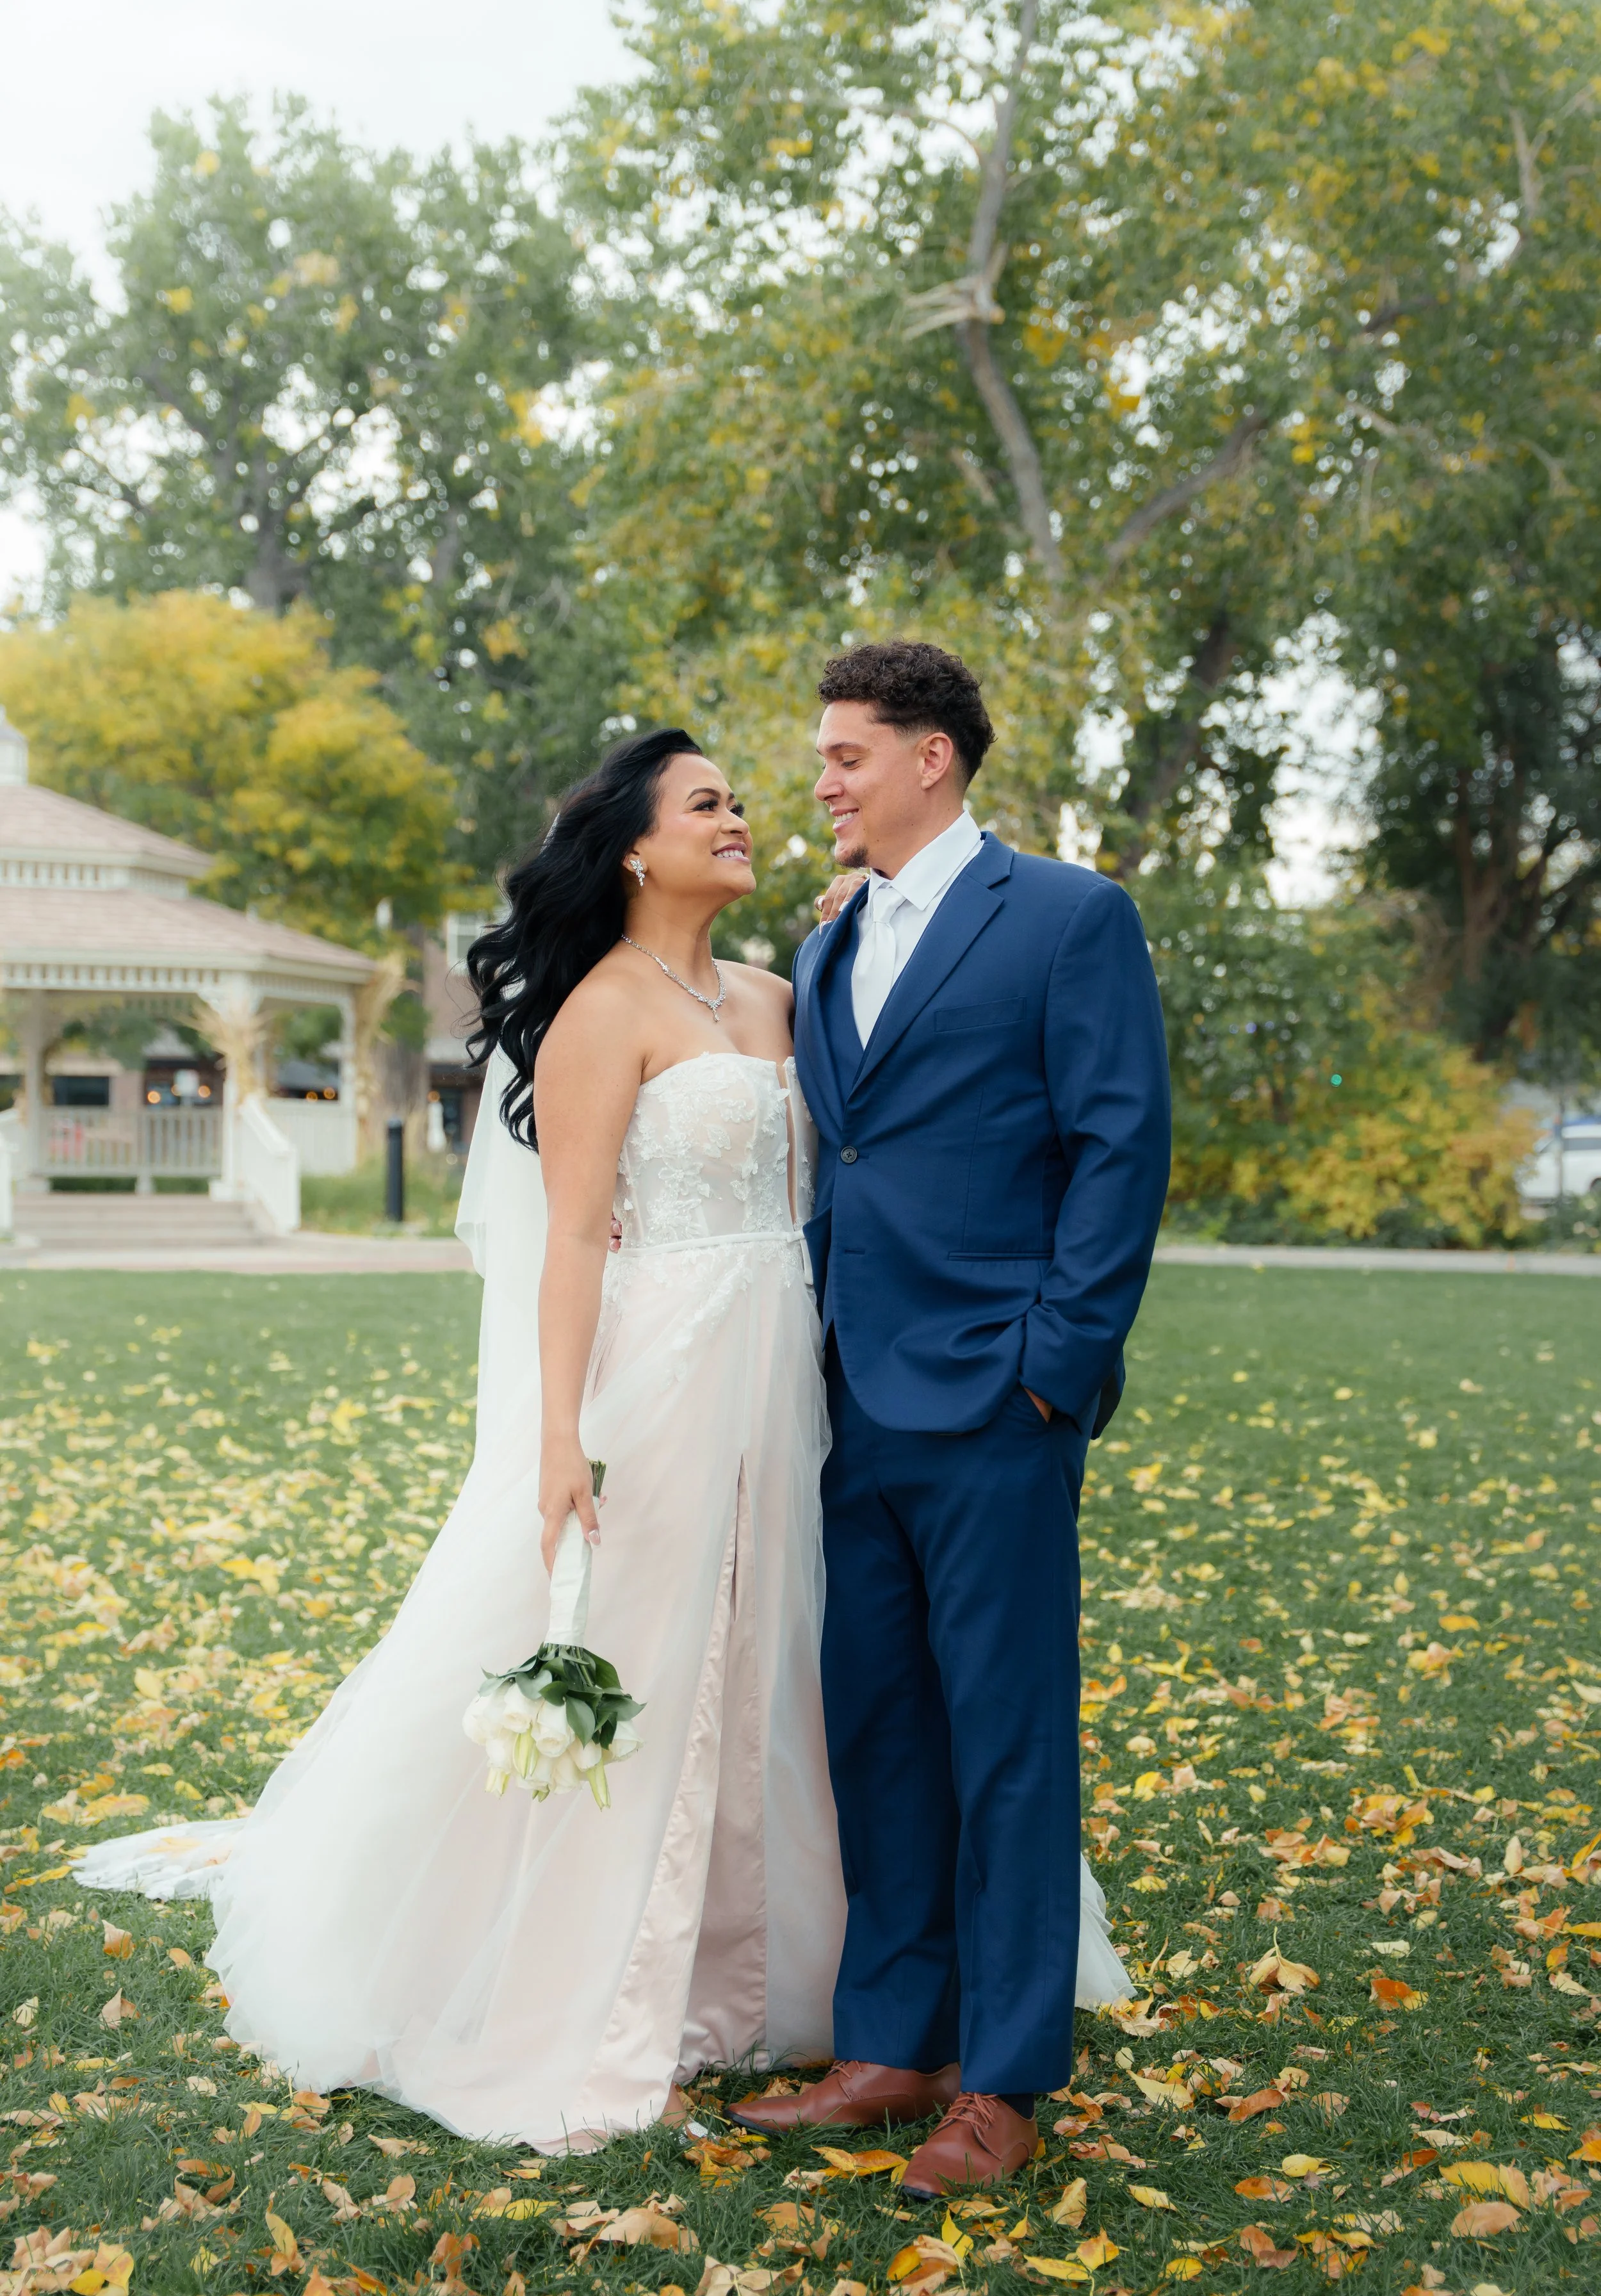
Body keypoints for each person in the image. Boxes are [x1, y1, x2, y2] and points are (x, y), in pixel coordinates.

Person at [72, 728, 847, 2151]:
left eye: (738, 800)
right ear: (631, 846)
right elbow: (568, 1243)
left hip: (780, 1358)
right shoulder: (603, 1013)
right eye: (704, 805)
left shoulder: (776, 993)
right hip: (659, 1368)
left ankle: (754, 1964)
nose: (739, 818)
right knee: (646, 1659)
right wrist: (559, 1437)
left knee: (766, 1653)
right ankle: (594, 1990)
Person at [729, 642, 1169, 2197]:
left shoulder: (1064, 917)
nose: (823, 782)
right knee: (881, 1737)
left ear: (932, 758)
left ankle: (1001, 2078)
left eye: (846, 754)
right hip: (846, 1400)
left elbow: (1116, 1150)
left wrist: (1054, 1360)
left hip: (997, 1396)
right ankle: (889, 2046)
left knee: (1005, 1747)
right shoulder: (826, 938)